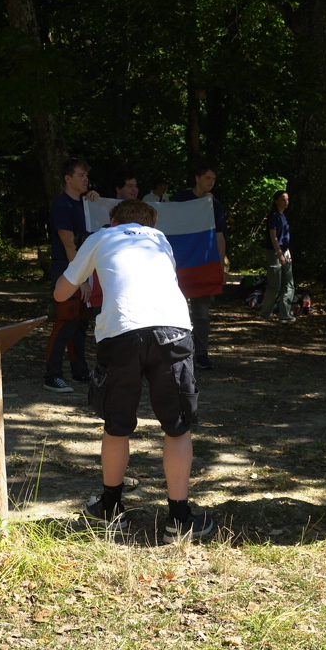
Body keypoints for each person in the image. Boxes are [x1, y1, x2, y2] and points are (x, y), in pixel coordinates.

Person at [57, 199, 215, 542]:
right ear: (152, 224)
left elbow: (60, 293)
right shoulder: (160, 240)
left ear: (113, 219)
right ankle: (179, 519)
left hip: (121, 332)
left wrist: (83, 273)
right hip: (172, 329)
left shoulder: (101, 236)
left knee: (117, 426)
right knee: (178, 427)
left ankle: (111, 510)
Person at [43, 158, 97, 392]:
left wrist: (96, 202)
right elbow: (69, 245)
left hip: (84, 270)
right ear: (68, 178)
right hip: (67, 270)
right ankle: (52, 375)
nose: (86, 179)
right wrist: (81, 279)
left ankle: (80, 370)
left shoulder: (86, 204)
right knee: (66, 321)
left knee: (81, 323)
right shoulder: (62, 205)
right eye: (81, 175)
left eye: (87, 175)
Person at [171, 166, 228, 370]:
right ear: (197, 178)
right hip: (179, 264)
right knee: (176, 311)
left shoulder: (215, 205)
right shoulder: (181, 198)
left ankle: (202, 354)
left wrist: (221, 267)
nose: (211, 182)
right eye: (207, 177)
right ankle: (177, 353)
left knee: (202, 314)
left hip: (204, 265)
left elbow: (220, 237)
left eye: (213, 178)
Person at [259, 190, 294, 322]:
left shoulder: (284, 216)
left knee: (289, 284)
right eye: (283, 199)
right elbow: (273, 237)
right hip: (274, 252)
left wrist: (287, 253)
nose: (286, 202)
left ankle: (285, 313)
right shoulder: (273, 216)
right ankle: (266, 312)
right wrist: (279, 253)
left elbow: (285, 237)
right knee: (274, 284)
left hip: (285, 251)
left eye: (287, 199)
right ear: (276, 201)